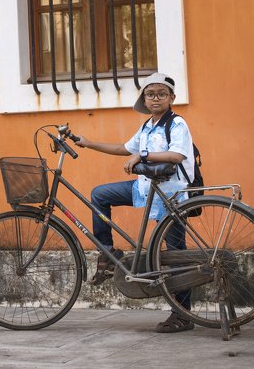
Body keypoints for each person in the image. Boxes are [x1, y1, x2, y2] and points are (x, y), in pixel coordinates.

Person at [74, 72, 195, 333]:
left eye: (161, 94)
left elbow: (177, 155)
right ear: (144, 99)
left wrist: (142, 155)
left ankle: (183, 314)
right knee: (100, 195)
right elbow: (124, 148)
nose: (155, 99)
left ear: (171, 98)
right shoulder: (148, 126)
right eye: (150, 94)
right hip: (145, 188)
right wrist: (89, 144)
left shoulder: (177, 123)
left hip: (171, 194)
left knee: (176, 254)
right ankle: (109, 253)